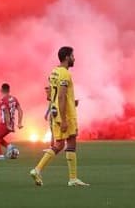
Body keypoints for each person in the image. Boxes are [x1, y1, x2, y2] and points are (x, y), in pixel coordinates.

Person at [30, 47, 89, 187]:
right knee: (71, 141)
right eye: (73, 56)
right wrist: (64, 119)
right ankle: (73, 178)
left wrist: (70, 101)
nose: (74, 58)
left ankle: (37, 170)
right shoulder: (64, 74)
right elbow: (61, 95)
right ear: (67, 57)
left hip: (55, 112)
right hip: (65, 115)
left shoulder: (54, 72)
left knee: (59, 144)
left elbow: (52, 94)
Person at [0, 83, 23, 160]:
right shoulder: (14, 99)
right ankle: (10, 147)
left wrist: (7, 124)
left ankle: (0, 155)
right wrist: (19, 122)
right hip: (11, 123)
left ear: (1, 90)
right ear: (9, 90)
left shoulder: (3, 100)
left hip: (5, 123)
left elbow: (6, 112)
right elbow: (20, 110)